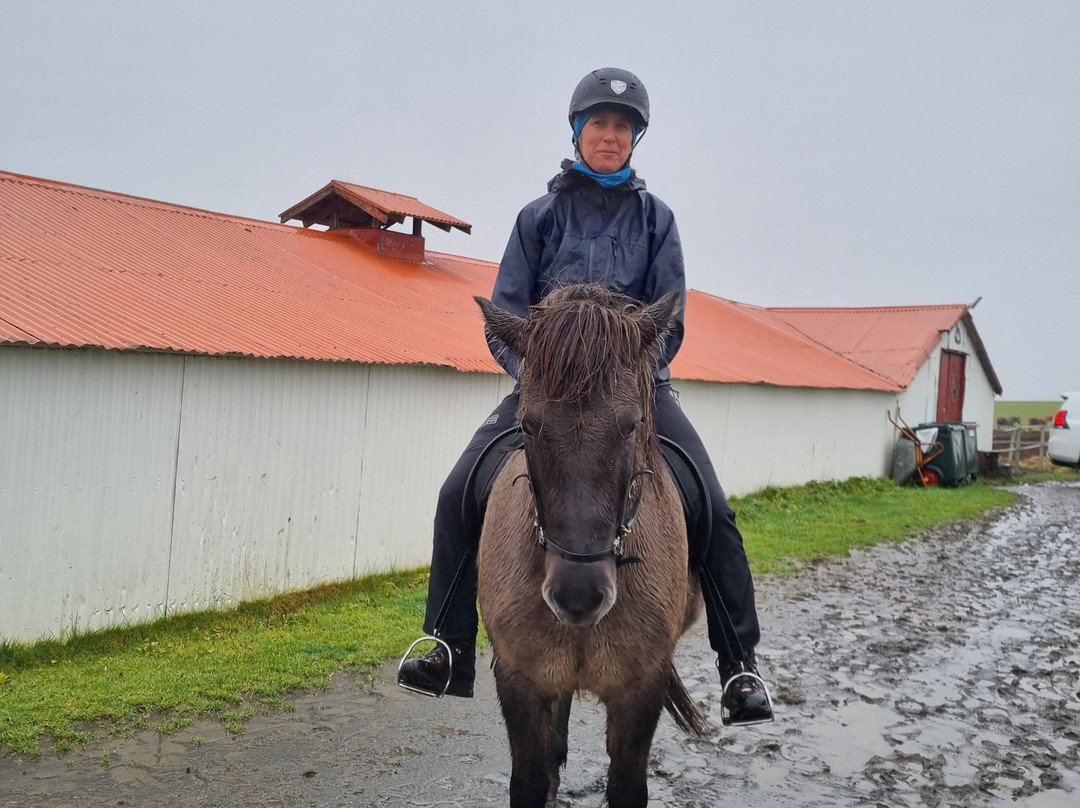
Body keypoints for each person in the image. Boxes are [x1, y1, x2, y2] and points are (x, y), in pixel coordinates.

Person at [398, 67, 773, 726]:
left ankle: (737, 662)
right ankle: (445, 644)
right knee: (458, 489)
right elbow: (508, 312)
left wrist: (630, 375)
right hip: (547, 391)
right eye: (599, 123)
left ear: (636, 139)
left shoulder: (658, 221)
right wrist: (540, 375)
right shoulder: (537, 219)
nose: (610, 135)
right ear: (577, 132)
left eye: (622, 126)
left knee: (711, 505)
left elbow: (670, 317)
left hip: (635, 388)